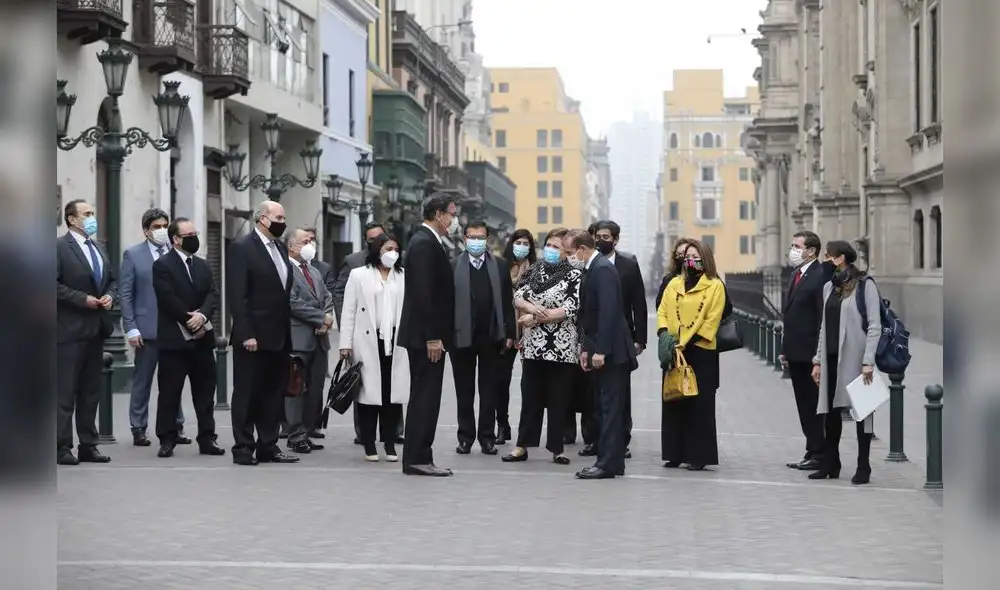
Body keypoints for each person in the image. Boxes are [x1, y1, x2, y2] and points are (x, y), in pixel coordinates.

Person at [226, 200, 298, 465]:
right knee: (247, 394)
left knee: (273, 394)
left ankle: (268, 445)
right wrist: (246, 333)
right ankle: (243, 448)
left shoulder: (280, 248)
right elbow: (238, 295)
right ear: (262, 218)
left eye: (284, 218)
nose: (282, 222)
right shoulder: (242, 248)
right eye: (278, 218)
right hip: (253, 337)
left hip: (278, 336)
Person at [502, 228, 582, 466]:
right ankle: (522, 446)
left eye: (557, 247)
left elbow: (570, 307)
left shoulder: (574, 275)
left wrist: (536, 318)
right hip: (533, 346)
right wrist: (530, 308)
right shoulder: (534, 270)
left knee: (558, 400)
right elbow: (518, 297)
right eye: (549, 245)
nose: (551, 250)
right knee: (530, 398)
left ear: (566, 251)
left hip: (561, 347)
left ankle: (557, 449)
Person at [150, 217, 225, 458]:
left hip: (202, 340)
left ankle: (207, 438)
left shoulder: (202, 265)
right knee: (169, 393)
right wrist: (187, 319)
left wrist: (202, 316)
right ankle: (167, 438)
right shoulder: (162, 265)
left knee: (205, 393)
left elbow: (212, 294)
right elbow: (167, 298)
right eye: (189, 235)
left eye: (195, 234)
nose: (194, 239)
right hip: (174, 341)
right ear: (176, 239)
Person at [566, 230, 637, 479]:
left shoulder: (603, 270)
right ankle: (613, 463)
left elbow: (608, 313)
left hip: (613, 352)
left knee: (610, 409)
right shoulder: (593, 268)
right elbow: (590, 316)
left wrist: (601, 351)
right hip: (601, 347)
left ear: (582, 249)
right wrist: (587, 348)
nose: (568, 257)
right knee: (607, 408)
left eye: (570, 252)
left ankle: (606, 464)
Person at [809, 241, 881, 485]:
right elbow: (823, 326)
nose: (825, 260)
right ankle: (831, 463)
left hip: (856, 358)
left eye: (828, 255)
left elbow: (874, 325)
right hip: (830, 358)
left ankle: (863, 465)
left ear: (840, 258)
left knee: (862, 412)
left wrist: (868, 361)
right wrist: (817, 361)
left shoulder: (865, 285)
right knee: (830, 413)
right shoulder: (829, 287)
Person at [397, 193, 458, 476]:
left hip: (429, 336)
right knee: (425, 397)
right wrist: (433, 337)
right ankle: (417, 458)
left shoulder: (430, 241)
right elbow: (424, 295)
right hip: (426, 338)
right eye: (451, 214)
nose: (454, 220)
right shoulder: (423, 243)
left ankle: (419, 456)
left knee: (428, 397)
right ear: (437, 214)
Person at [575, 220, 646, 459]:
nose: (600, 241)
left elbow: (634, 304)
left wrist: (639, 338)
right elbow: (587, 311)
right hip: (597, 340)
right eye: (597, 236)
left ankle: (615, 449)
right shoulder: (590, 266)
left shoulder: (618, 266)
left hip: (615, 342)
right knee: (595, 397)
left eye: (606, 237)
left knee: (616, 399)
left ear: (615, 240)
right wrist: (586, 345)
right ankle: (597, 444)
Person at [56, 199, 118, 465]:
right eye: (87, 214)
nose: (92, 217)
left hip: (96, 329)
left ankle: (88, 445)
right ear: (72, 219)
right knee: (64, 392)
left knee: (90, 392)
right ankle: (61, 447)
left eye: (93, 212)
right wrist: (83, 300)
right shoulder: (59, 248)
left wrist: (111, 297)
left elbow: (112, 281)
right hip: (69, 331)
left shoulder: (99, 247)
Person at [120, 208, 188, 447]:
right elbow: (126, 294)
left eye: (165, 226)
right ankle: (138, 427)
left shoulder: (176, 252)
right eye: (156, 227)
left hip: (175, 327)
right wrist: (131, 327)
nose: (161, 231)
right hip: (146, 329)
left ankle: (176, 425)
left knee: (174, 380)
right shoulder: (133, 255)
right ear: (146, 231)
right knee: (143, 381)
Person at [656, 239, 726, 471]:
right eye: (688, 257)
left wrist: (686, 342)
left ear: (705, 259)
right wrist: (665, 334)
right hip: (673, 349)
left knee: (700, 405)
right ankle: (674, 453)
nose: (691, 261)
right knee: (673, 399)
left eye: (696, 257)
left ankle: (699, 455)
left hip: (700, 350)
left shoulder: (714, 285)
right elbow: (662, 310)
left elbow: (712, 319)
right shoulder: (674, 283)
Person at [339, 233, 409, 462]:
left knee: (391, 395)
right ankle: (369, 443)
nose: (392, 253)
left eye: (396, 249)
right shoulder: (359, 275)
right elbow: (349, 310)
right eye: (388, 248)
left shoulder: (403, 276)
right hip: (367, 341)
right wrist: (345, 344)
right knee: (368, 395)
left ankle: (389, 442)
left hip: (395, 342)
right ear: (377, 250)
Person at [451, 221, 516, 456]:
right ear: (464, 239)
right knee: (464, 391)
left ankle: (487, 438)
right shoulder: (452, 266)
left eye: (480, 237)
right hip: (461, 338)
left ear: (487, 239)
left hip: (491, 336)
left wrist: (510, 333)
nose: (476, 241)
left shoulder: (500, 266)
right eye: (472, 237)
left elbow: (508, 302)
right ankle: (465, 437)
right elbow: (445, 303)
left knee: (489, 390)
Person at [778, 231, 831, 471]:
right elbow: (790, 315)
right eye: (793, 246)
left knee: (813, 405)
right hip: (795, 352)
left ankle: (819, 453)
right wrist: (785, 349)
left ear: (811, 251)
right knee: (803, 405)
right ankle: (811, 449)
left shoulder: (819, 276)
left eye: (797, 246)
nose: (793, 250)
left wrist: (818, 357)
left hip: (810, 353)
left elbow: (821, 319)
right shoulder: (796, 274)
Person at [285, 227, 334, 454]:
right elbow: (292, 302)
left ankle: (306, 431)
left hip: (319, 339)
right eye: (304, 242)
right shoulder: (285, 270)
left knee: (315, 389)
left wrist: (326, 318)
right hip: (298, 339)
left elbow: (327, 296)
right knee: (296, 389)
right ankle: (295, 435)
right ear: (291, 246)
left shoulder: (313, 271)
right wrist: (320, 318)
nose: (310, 245)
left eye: (310, 241)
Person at [495, 229, 536, 444]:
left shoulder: (536, 269)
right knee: (501, 381)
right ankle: (502, 425)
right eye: (518, 242)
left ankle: (528, 430)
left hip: (531, 331)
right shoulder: (500, 267)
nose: (521, 246)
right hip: (507, 332)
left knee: (531, 383)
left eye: (526, 243)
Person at [655, 238, 695, 310]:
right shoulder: (668, 279)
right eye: (680, 254)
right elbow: (660, 305)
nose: (683, 257)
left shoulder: (704, 277)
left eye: (685, 253)